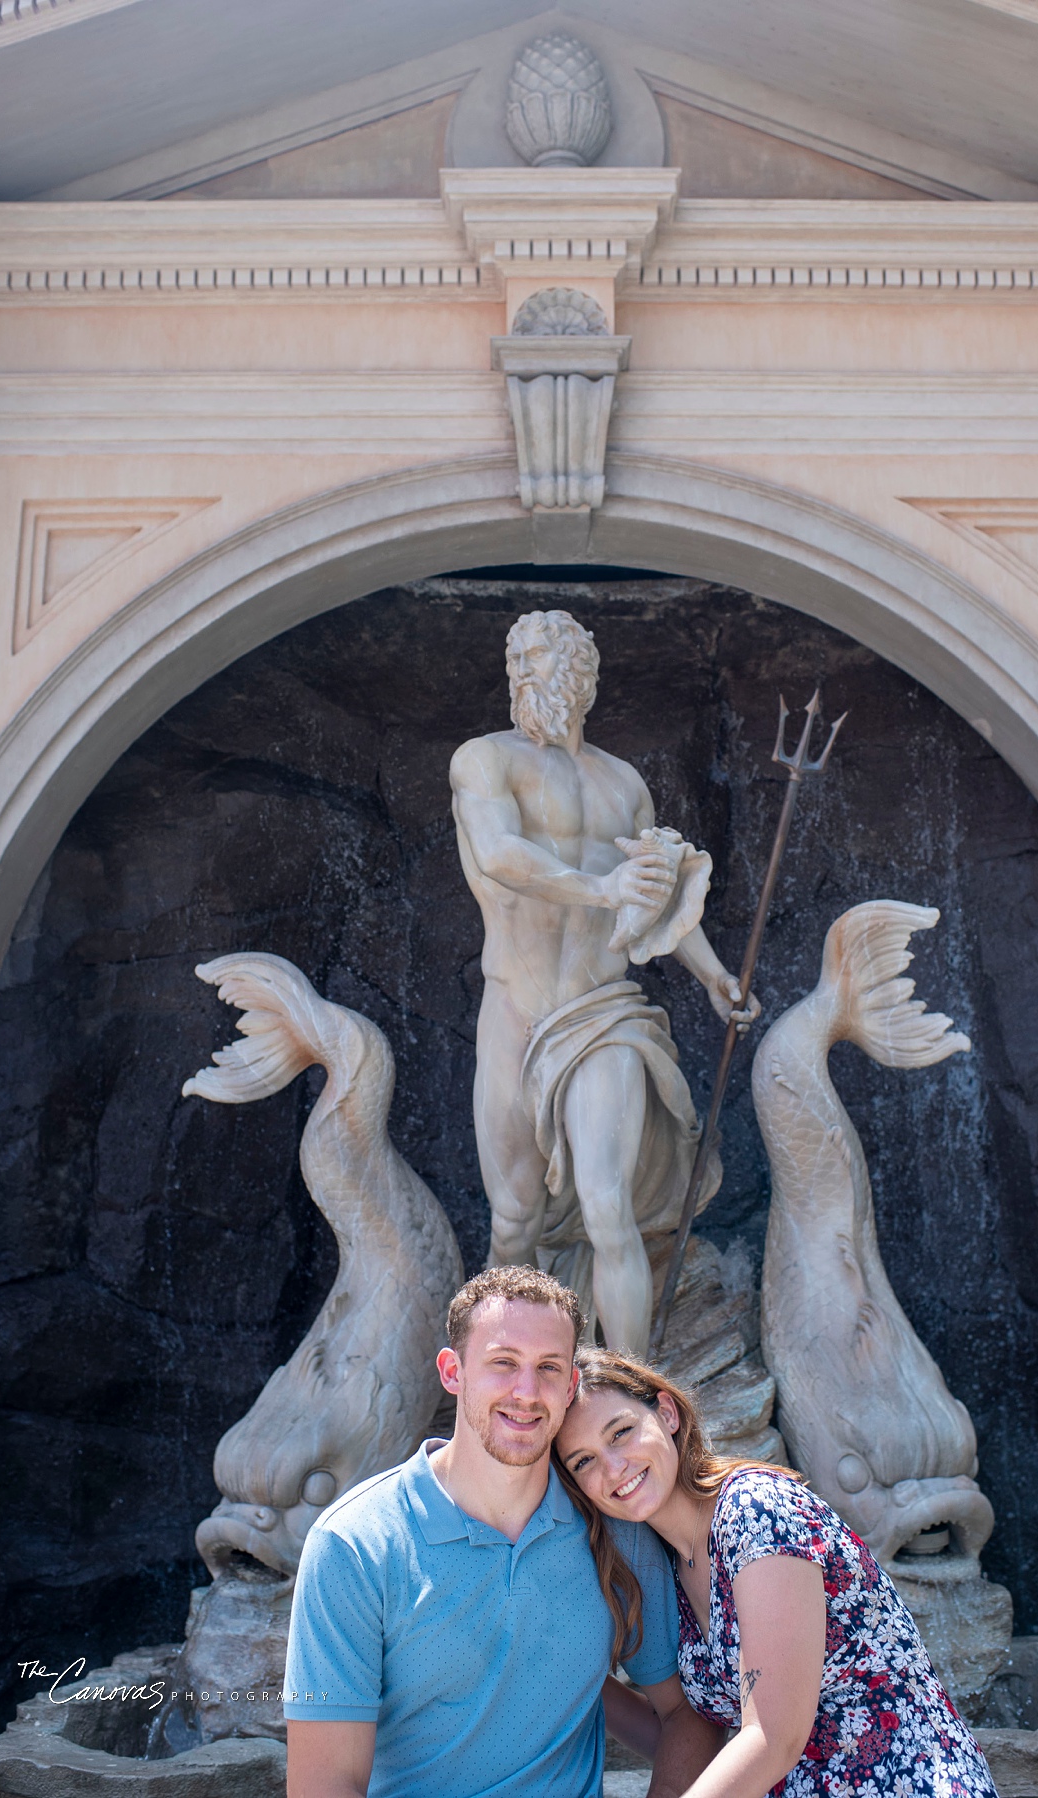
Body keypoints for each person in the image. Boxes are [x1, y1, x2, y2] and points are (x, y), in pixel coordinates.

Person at [283, 1267, 722, 1798]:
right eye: (503, 1363)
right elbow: (325, 1786)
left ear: (571, 1386)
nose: (527, 1391)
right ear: (453, 1372)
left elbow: (687, 1713)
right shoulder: (353, 1546)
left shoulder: (615, 1528)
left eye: (549, 1368)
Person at [450, 610, 757, 1353]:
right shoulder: (484, 761)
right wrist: (604, 889)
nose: (525, 672)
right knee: (513, 1220)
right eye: (516, 658)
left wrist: (714, 974)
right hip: (517, 1011)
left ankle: (635, 1401)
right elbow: (498, 855)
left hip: (604, 1014)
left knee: (607, 1207)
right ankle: (497, 1385)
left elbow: (657, 891)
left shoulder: (625, 784)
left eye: (542, 660)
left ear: (582, 677)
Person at [556, 1350, 1001, 1798]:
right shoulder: (672, 1566)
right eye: (583, 1462)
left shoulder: (756, 1511)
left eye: (622, 1432)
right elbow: (685, 1737)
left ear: (667, 1412)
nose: (613, 1467)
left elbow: (771, 1739)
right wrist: (577, 1675)